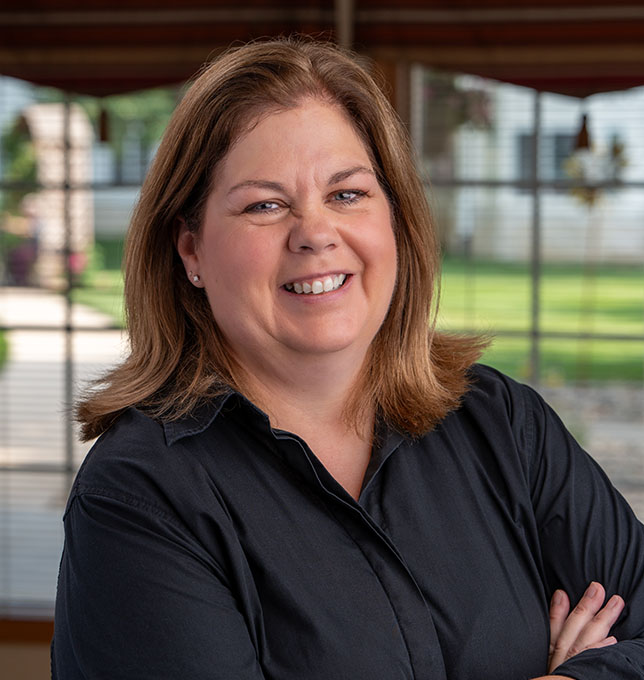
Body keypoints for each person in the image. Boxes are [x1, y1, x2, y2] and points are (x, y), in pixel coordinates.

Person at [52, 38, 644, 680]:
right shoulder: (138, 498)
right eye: (264, 205)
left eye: (347, 194)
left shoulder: (502, 424)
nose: (314, 233)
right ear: (190, 251)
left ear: (395, 217)